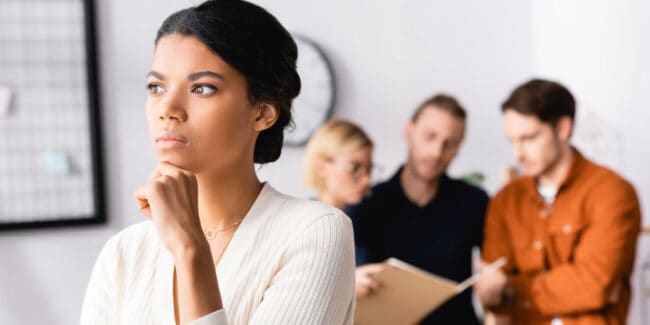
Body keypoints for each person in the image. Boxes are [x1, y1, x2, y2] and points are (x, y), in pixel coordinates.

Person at [80, 1, 355, 324]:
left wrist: (189, 249)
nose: (167, 108)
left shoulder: (315, 232)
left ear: (263, 112)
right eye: (157, 87)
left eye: (203, 88)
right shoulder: (124, 252)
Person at [476, 79, 641, 324]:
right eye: (512, 140)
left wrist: (511, 289)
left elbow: (594, 287)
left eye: (529, 138)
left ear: (563, 128)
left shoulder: (612, 192)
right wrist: (571, 288)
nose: (517, 154)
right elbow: (491, 293)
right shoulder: (505, 200)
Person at [347, 94, 489, 324]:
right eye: (429, 136)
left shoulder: (474, 201)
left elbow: (494, 270)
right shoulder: (367, 204)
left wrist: (495, 284)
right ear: (409, 132)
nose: (437, 151)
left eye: (450, 143)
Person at [302, 119, 373, 211]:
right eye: (353, 168)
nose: (366, 180)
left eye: (368, 168)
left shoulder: (363, 218)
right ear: (321, 167)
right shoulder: (305, 220)